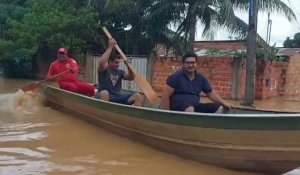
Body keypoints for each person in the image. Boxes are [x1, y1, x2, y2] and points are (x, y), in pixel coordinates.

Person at [160, 52, 231, 113]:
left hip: (194, 106)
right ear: (183, 64)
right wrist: (166, 114)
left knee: (220, 108)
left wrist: (223, 102)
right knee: (190, 109)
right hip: (177, 108)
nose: (190, 65)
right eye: (187, 63)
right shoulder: (175, 77)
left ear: (196, 64)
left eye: (193, 62)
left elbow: (210, 93)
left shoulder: (201, 78)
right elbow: (165, 96)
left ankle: (208, 126)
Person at [95, 37, 143, 106]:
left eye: (118, 62)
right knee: (105, 93)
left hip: (117, 97)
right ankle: (105, 115)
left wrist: (128, 66)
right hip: (104, 96)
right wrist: (110, 47)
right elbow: (102, 62)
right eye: (115, 62)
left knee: (137, 96)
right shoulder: (103, 70)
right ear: (109, 62)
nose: (118, 65)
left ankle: (134, 116)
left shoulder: (120, 72)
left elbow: (131, 77)